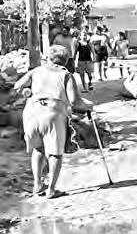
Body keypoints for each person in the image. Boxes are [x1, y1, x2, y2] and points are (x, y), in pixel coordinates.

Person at [13, 45, 92, 199]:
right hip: (53, 113)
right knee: (55, 152)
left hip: (32, 112)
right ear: (66, 61)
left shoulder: (36, 71)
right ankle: (51, 189)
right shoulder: (66, 75)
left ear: (48, 58)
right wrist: (88, 106)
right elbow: (75, 101)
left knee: (38, 149)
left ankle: (37, 185)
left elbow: (17, 86)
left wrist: (27, 92)